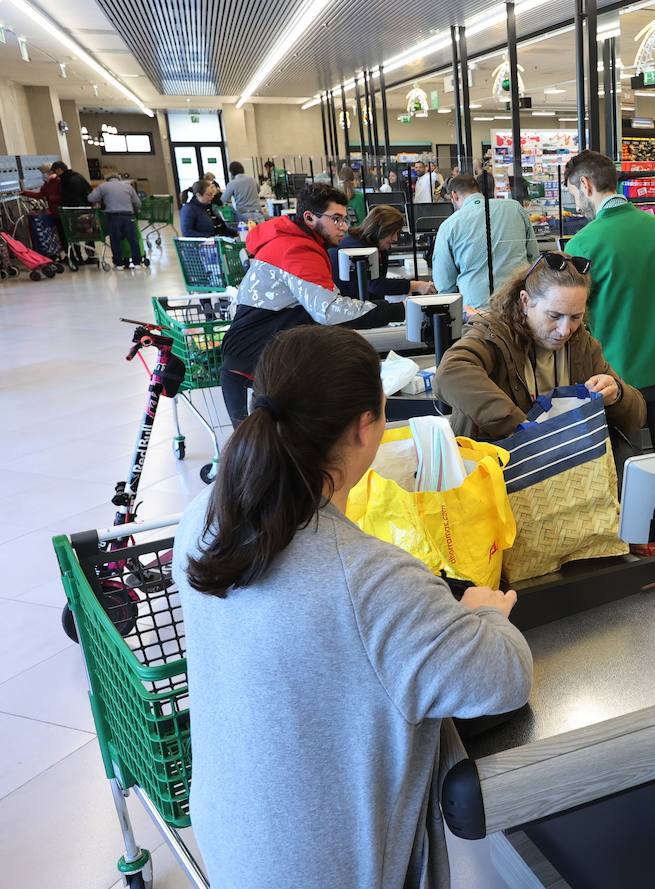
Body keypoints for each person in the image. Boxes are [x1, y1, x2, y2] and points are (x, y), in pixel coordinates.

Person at [174, 323, 531, 888]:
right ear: (366, 428)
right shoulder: (366, 579)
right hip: (330, 869)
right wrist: (485, 612)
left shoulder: (204, 518)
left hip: (234, 838)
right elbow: (503, 677)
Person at [563, 149, 655, 453]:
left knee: (626, 471)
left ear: (585, 185)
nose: (575, 204)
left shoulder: (581, 244)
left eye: (573, 193)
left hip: (613, 378)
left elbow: (571, 318)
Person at [435, 251, 645, 441]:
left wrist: (617, 394)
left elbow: (637, 417)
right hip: (493, 472)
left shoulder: (583, 345)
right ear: (525, 302)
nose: (565, 330)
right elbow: (450, 373)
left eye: (576, 317)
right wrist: (520, 427)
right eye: (554, 316)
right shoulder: (493, 336)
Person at [218, 183, 375, 425]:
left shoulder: (294, 240)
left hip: (251, 355)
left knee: (264, 442)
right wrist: (393, 311)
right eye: (336, 219)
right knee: (263, 446)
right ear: (310, 217)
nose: (344, 226)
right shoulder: (296, 249)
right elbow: (328, 310)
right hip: (255, 359)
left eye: (345, 219)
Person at [431, 174, 538, 312]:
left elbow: (445, 285)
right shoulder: (514, 208)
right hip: (518, 307)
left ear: (454, 196)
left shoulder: (449, 226)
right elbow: (534, 259)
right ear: (478, 190)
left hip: (476, 313)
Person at [327, 204, 436, 323]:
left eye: (397, 233)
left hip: (361, 309)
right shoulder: (355, 248)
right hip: (347, 313)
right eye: (392, 233)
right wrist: (417, 285)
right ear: (379, 230)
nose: (395, 238)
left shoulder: (378, 248)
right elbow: (375, 285)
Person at [87, 176, 145, 269]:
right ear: (119, 179)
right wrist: (135, 211)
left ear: (107, 179)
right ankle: (137, 263)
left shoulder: (103, 186)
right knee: (133, 240)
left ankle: (119, 264)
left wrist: (102, 198)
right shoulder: (128, 186)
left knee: (115, 240)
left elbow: (91, 198)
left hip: (114, 217)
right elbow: (138, 203)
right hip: (128, 216)